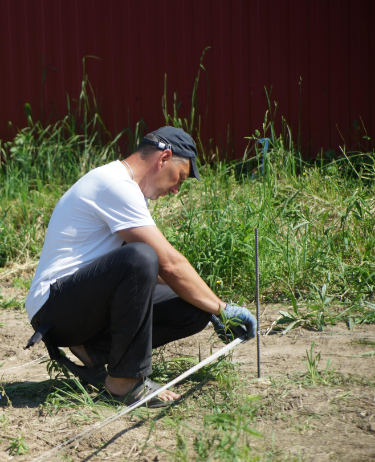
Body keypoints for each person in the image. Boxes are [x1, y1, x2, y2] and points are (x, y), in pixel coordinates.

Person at [24, 126, 255, 408]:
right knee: (144, 256)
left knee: (194, 308)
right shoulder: (115, 184)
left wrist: (209, 306)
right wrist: (222, 308)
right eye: (179, 178)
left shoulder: (130, 190)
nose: (176, 189)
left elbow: (147, 276)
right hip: (55, 308)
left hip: (81, 306)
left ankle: (95, 352)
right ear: (164, 158)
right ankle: (124, 382)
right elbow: (166, 263)